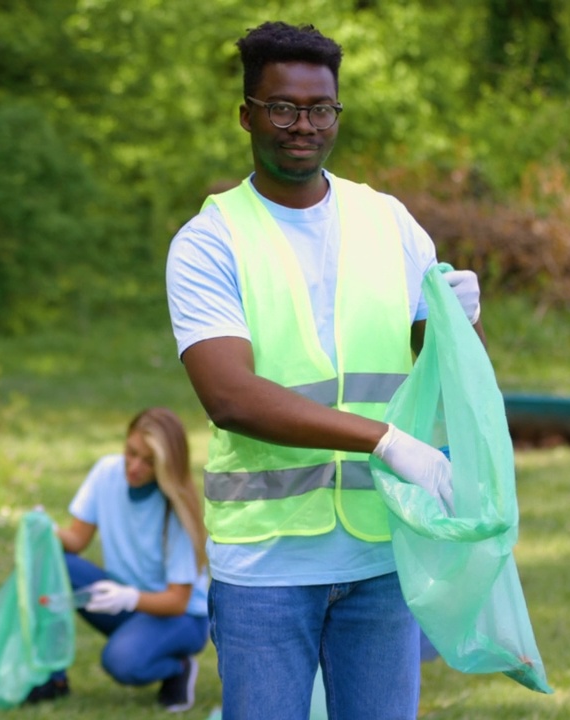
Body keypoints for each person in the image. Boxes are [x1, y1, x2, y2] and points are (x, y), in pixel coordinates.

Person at [164, 21, 485, 720]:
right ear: (247, 113)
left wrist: (457, 324)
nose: (301, 125)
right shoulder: (209, 241)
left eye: (319, 109)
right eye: (282, 107)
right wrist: (386, 442)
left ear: (336, 112)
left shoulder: (389, 221)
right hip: (267, 568)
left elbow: (427, 361)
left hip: (380, 551)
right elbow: (231, 397)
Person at [26, 407, 210, 713]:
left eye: (148, 461)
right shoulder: (106, 473)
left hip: (181, 618)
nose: (134, 466)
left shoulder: (175, 511)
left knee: (121, 662)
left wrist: (128, 597)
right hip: (124, 601)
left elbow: (178, 601)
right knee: (55, 563)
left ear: (166, 465)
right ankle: (52, 678)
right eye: (131, 452)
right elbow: (76, 540)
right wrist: (46, 530)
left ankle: (178, 668)